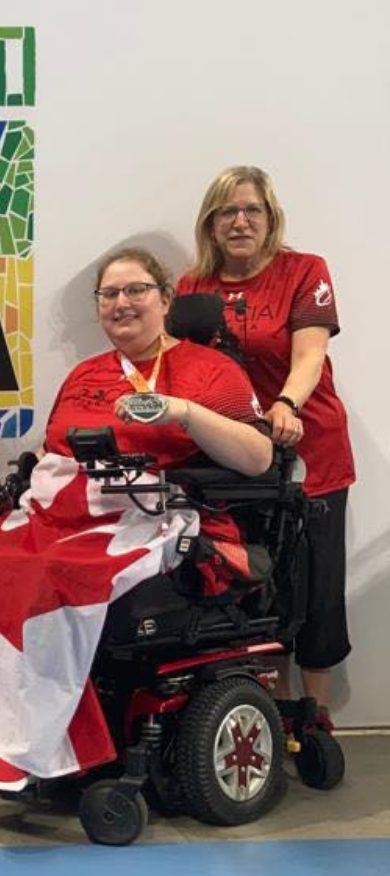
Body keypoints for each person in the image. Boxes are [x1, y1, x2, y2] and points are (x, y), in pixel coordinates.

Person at [0, 248, 273, 791]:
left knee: (54, 575)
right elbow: (53, 454)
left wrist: (183, 411)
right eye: (109, 294)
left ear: (165, 299)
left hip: (155, 517)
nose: (122, 303)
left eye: (136, 290)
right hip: (68, 512)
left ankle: (34, 744)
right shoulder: (85, 374)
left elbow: (258, 458)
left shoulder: (210, 371)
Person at [177, 166, 354, 729]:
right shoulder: (191, 286)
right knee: (252, 584)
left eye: (252, 210)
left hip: (310, 453)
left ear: (271, 218)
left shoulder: (305, 271)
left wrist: (286, 405)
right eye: (228, 211)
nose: (240, 221)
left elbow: (310, 355)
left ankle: (316, 714)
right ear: (211, 223)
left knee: (316, 585)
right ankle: (264, 712)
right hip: (232, 461)